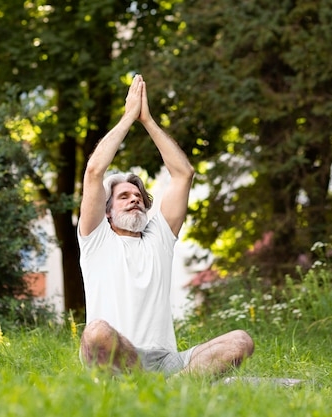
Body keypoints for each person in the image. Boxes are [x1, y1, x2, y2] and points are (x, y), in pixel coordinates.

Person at [77, 74, 254, 377]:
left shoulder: (158, 237)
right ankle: (153, 389)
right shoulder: (96, 239)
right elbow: (94, 171)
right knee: (96, 332)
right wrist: (128, 117)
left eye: (138, 196)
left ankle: (166, 391)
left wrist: (147, 121)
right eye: (123, 197)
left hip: (166, 362)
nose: (134, 199)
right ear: (107, 212)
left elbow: (183, 173)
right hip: (116, 356)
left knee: (240, 340)